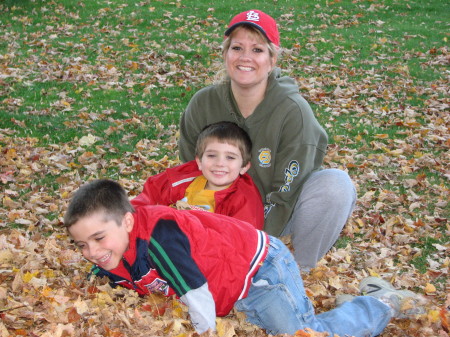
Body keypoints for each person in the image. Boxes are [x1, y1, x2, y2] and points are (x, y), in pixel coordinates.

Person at [64, 179, 425, 336]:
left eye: (98, 238)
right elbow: (114, 272)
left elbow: (196, 293)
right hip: (232, 289)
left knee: (302, 334)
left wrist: (206, 331)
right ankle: (355, 304)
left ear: (127, 220)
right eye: (82, 245)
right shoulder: (112, 252)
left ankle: (381, 304)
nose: (93, 252)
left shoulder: (159, 234)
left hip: (261, 272)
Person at [178, 9, 357, 269]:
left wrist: (253, 243)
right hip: (217, 210)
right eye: (237, 48)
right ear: (225, 54)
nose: (245, 58)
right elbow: (187, 170)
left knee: (335, 185)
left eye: (258, 50)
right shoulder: (203, 103)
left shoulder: (293, 111)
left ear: (272, 60)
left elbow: (286, 191)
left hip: (277, 211)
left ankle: (298, 270)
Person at [131, 121, 264, 229]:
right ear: (199, 161)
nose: (220, 163)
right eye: (212, 155)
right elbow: (146, 200)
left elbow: (243, 243)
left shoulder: (244, 200)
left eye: (230, 157)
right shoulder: (182, 180)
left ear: (244, 166)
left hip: (208, 255)